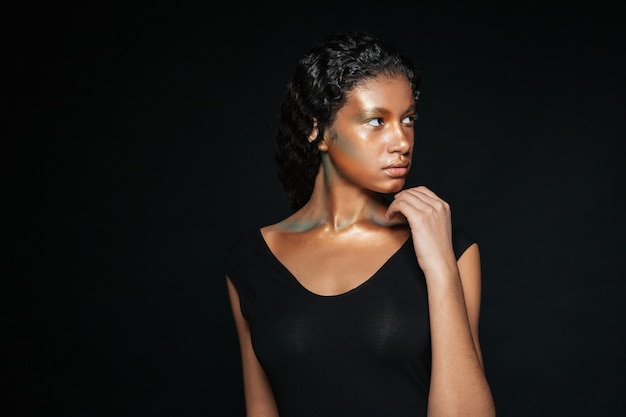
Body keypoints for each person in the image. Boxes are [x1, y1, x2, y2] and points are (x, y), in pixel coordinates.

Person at [223, 31, 495, 417]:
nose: (402, 141)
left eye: (408, 120)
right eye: (376, 121)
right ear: (317, 131)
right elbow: (260, 409)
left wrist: (440, 269)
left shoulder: (451, 249)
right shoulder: (250, 261)